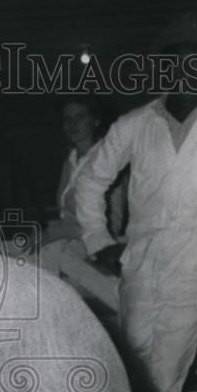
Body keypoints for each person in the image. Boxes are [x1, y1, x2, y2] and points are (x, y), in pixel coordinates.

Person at [74, 23, 197, 392]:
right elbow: (90, 179)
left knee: (166, 373)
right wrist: (98, 240)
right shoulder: (136, 123)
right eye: (172, 67)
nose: (182, 74)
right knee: (132, 364)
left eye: (192, 65)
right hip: (142, 264)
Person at [38, 95, 127, 314]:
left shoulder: (107, 159)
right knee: (36, 257)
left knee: (55, 253)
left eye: (80, 117)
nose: (72, 124)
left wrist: (54, 232)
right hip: (69, 243)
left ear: (95, 121)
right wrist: (53, 233)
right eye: (67, 119)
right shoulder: (69, 161)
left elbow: (112, 225)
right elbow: (63, 216)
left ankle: (124, 303)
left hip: (97, 243)